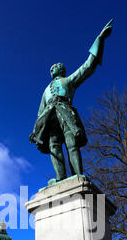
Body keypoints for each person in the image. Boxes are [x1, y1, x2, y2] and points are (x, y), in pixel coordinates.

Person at [30, 19, 113, 182]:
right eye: (51, 68)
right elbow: (40, 111)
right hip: (49, 116)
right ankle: (60, 177)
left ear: (62, 69)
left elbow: (88, 67)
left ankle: (77, 176)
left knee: (71, 143)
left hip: (66, 113)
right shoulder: (46, 90)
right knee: (54, 145)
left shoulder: (68, 81)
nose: (53, 69)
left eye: (56, 67)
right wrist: (35, 130)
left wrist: (100, 40)